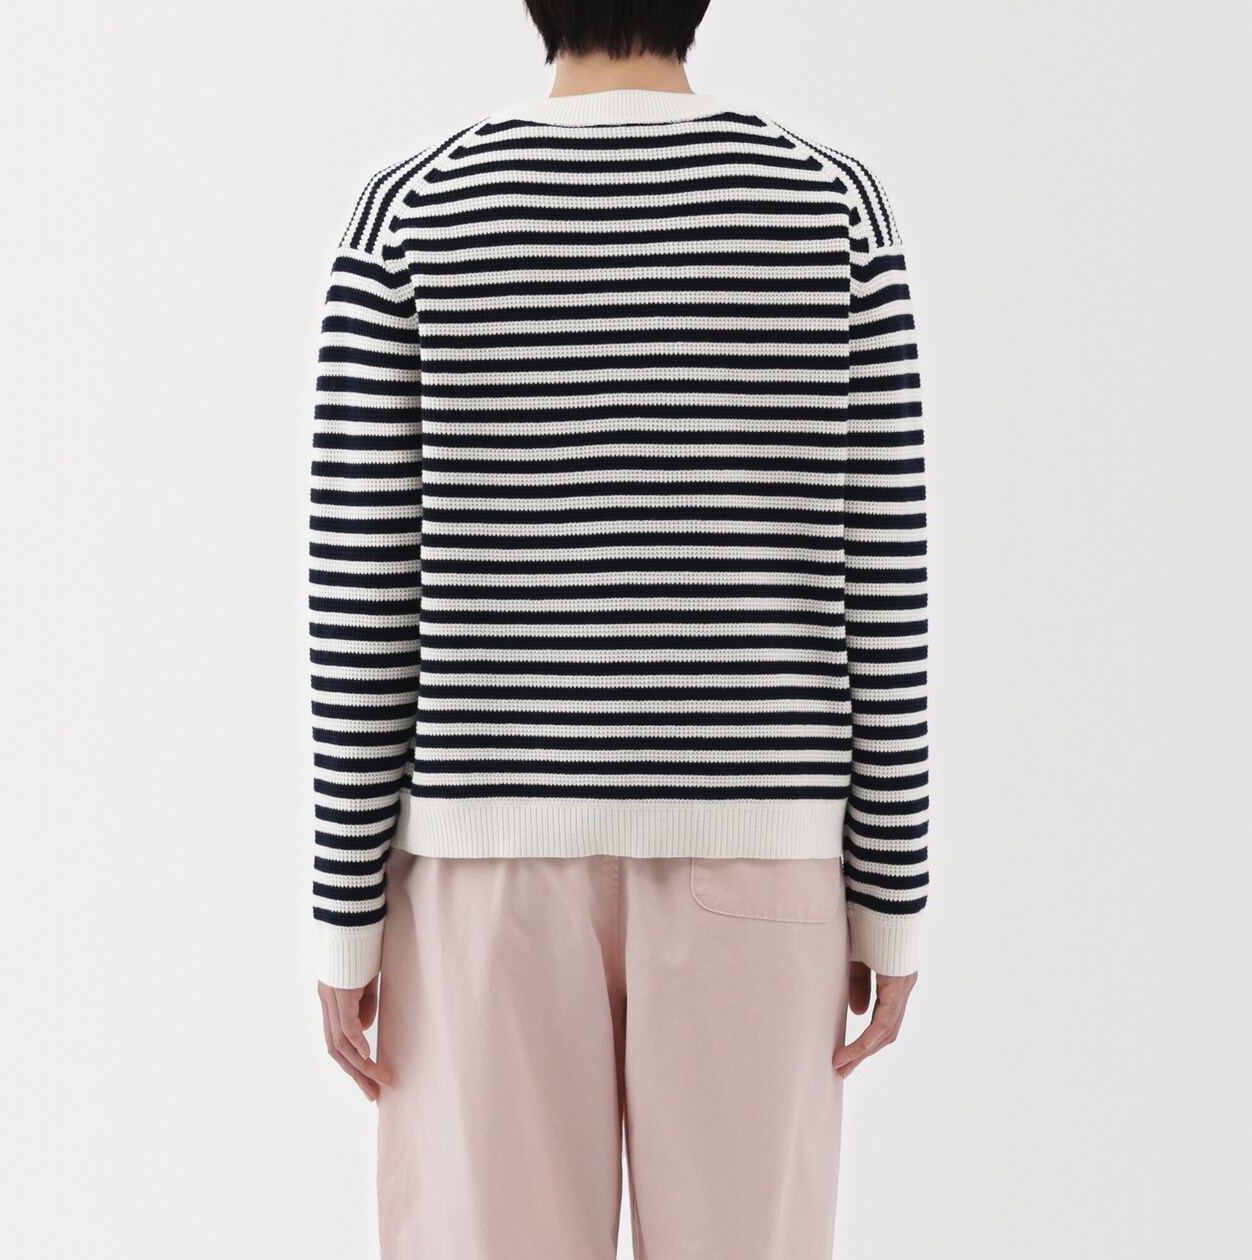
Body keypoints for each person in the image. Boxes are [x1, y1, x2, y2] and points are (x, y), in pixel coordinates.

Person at [308, 2, 929, 1254]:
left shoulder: (414, 214)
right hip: (759, 851)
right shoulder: (834, 211)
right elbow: (884, 577)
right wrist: (891, 896)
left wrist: (343, 913)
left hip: (485, 867)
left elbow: (362, 590)